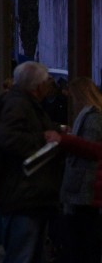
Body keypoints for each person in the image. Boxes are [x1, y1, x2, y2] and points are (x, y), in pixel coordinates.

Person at [0, 60, 63, 263]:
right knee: (22, 254)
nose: (50, 85)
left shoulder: (22, 103)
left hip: (29, 193)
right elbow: (8, 138)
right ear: (37, 85)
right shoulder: (20, 105)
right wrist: (45, 137)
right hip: (24, 193)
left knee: (28, 254)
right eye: (47, 81)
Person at [43, 77, 102, 263]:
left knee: (80, 241)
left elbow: (93, 148)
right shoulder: (92, 115)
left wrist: (64, 140)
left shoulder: (93, 117)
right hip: (86, 186)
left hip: (85, 186)